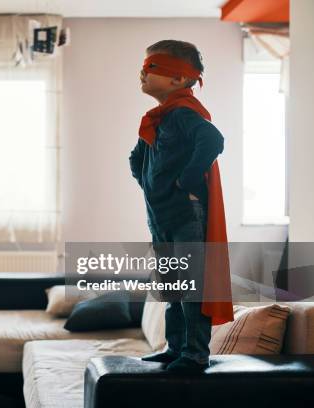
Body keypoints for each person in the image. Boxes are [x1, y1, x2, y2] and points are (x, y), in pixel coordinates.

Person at [129, 39, 233, 373]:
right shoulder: (159, 118)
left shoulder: (184, 114)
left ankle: (195, 354)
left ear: (178, 79)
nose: (142, 73)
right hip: (160, 217)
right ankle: (175, 348)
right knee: (171, 287)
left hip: (187, 216)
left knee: (190, 288)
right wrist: (147, 181)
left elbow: (213, 139)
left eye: (152, 68)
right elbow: (138, 157)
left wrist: (186, 180)